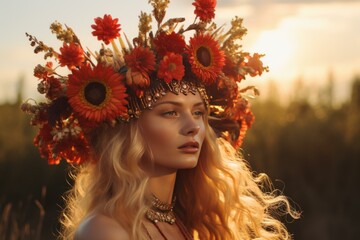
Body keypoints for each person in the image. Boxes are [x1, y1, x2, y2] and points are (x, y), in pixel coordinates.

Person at [22, 0, 299, 239]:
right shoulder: (107, 231)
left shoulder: (190, 220)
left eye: (199, 113)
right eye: (170, 112)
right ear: (128, 128)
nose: (193, 127)